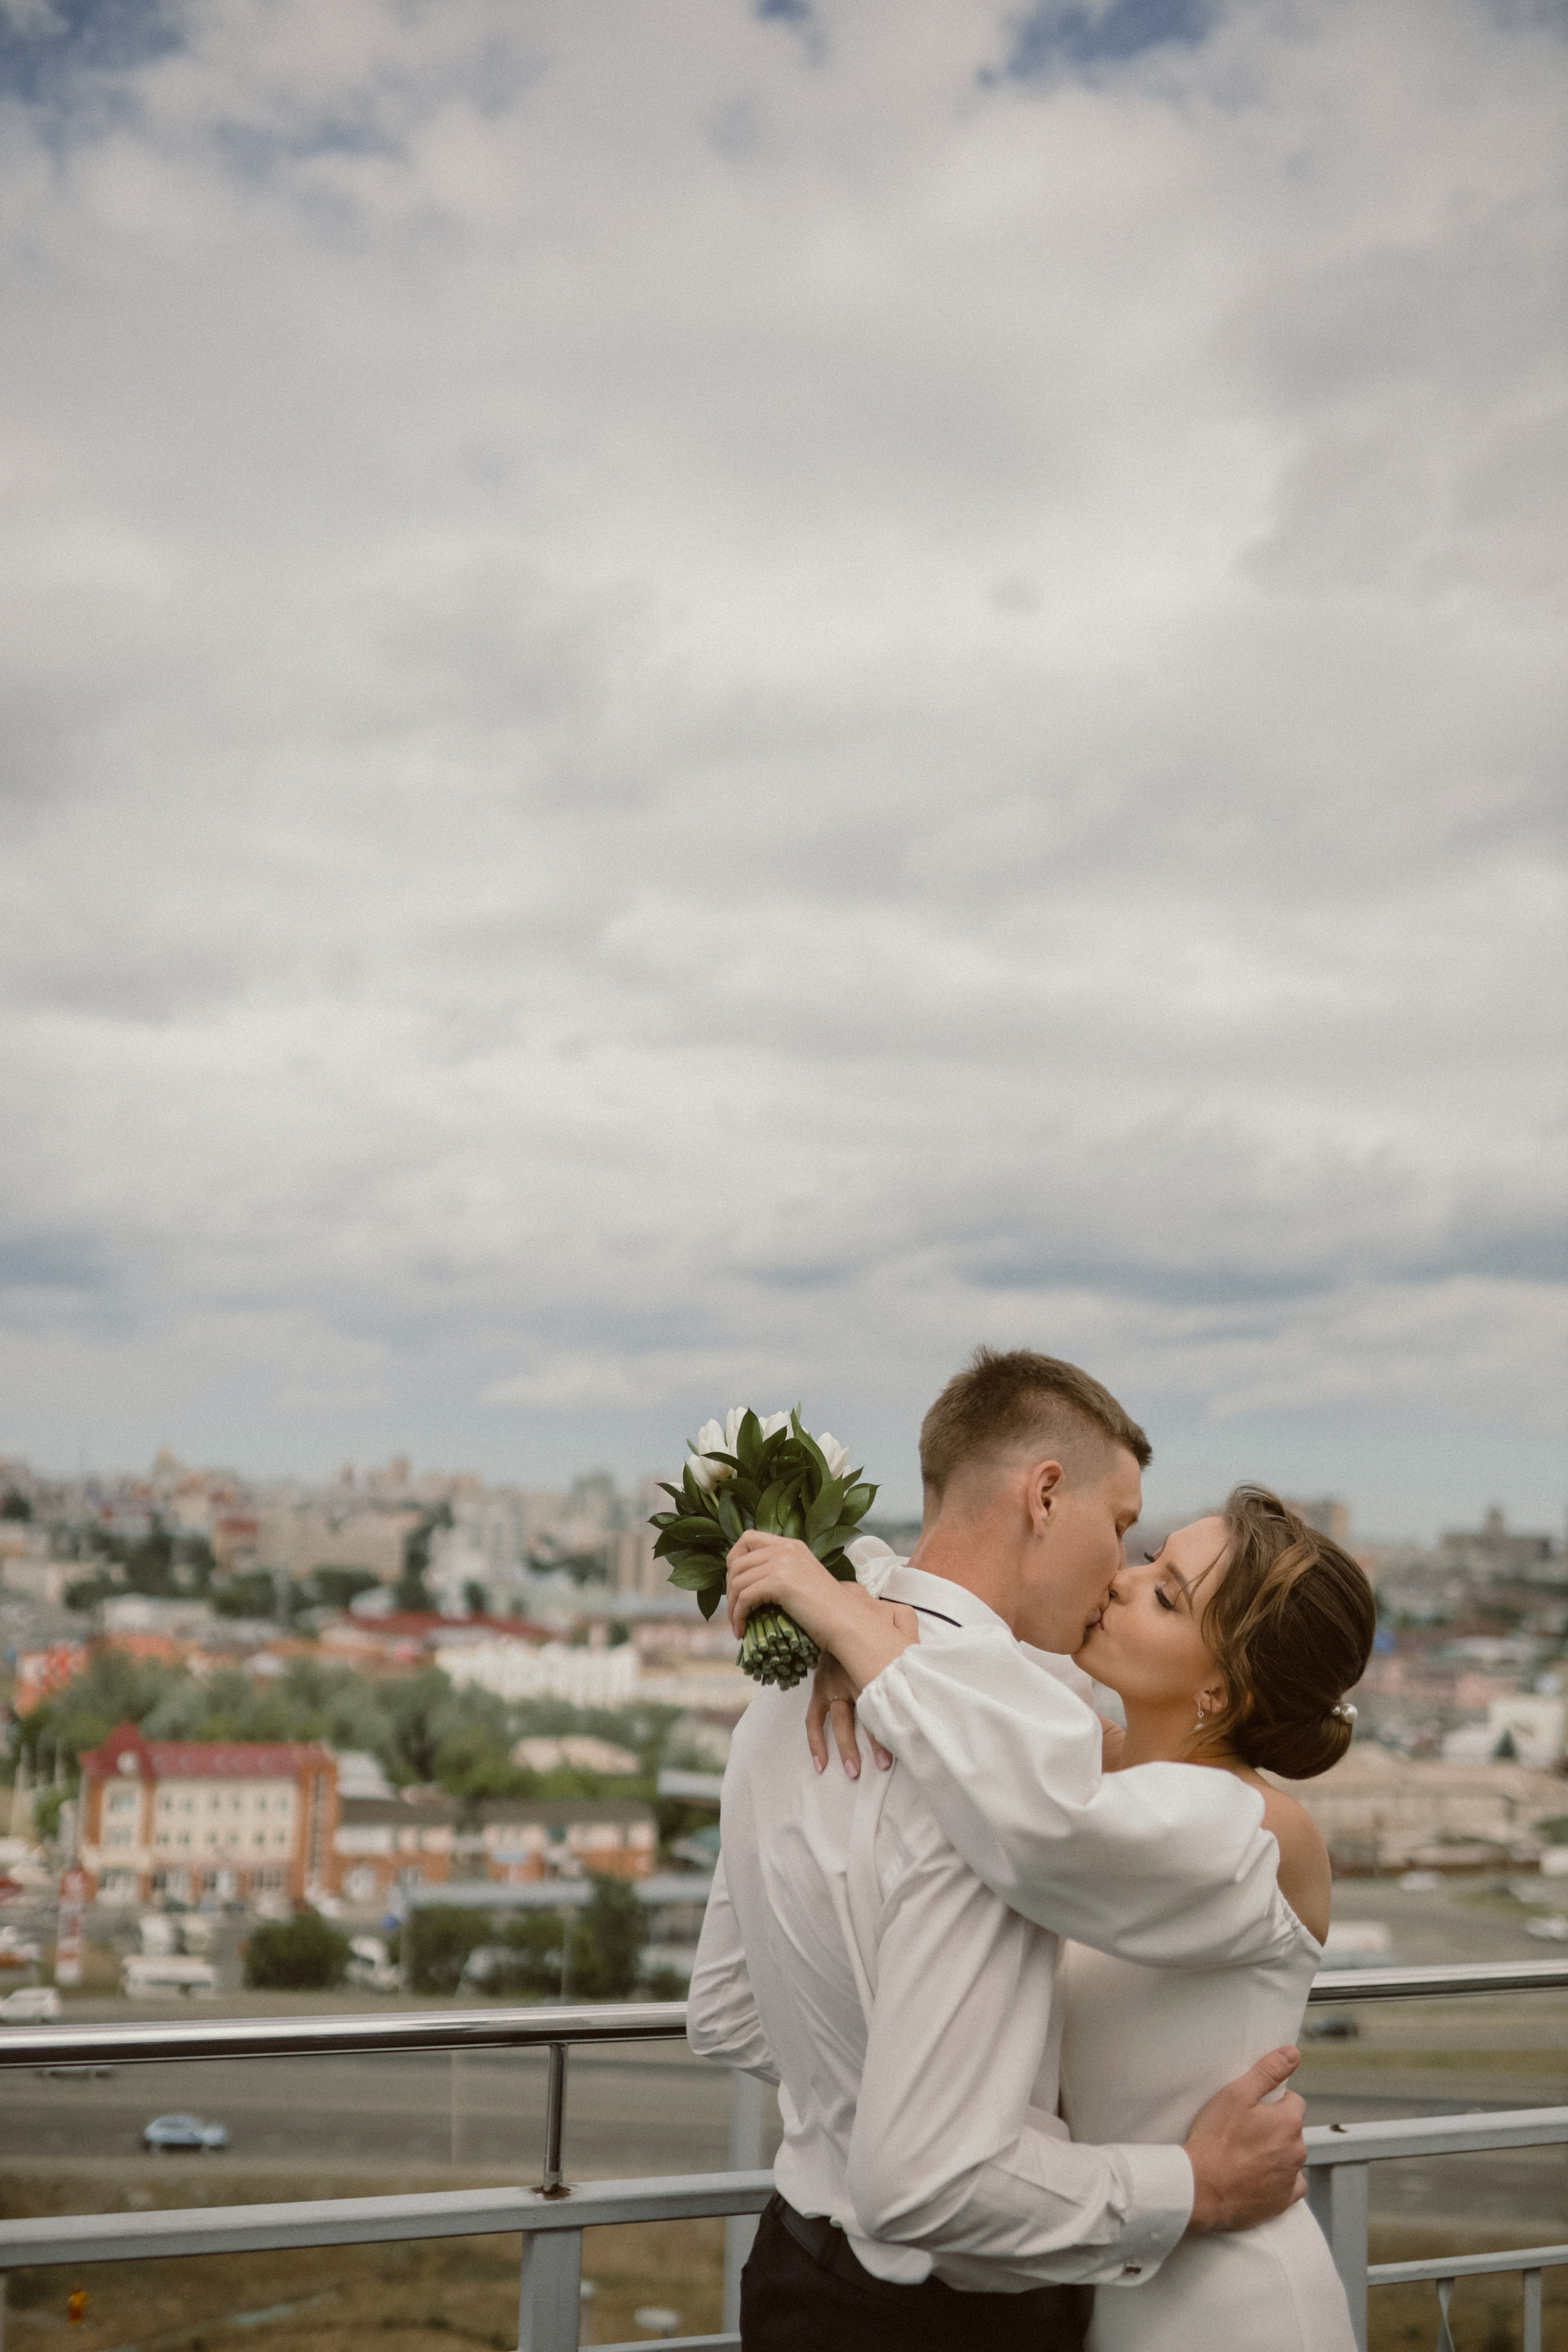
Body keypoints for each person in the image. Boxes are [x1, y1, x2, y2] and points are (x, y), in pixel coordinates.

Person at [723, 1366, 1376, 2351]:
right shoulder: (1075, 1749)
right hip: (1105, 2274)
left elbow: (1039, 1826)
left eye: (1164, 1593)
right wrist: (854, 1627)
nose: (1120, 1576)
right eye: (1141, 1546)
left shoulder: (1257, 1833)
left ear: (1221, 1688)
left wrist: (855, 1624)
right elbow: (1010, 1708)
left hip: (1226, 2294)